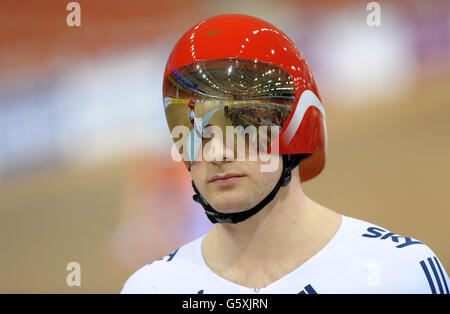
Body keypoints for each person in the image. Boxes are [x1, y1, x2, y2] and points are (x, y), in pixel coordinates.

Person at [121, 14, 449, 294]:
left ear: (296, 128)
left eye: (241, 124)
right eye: (194, 130)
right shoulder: (151, 288)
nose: (217, 153)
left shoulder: (401, 274)